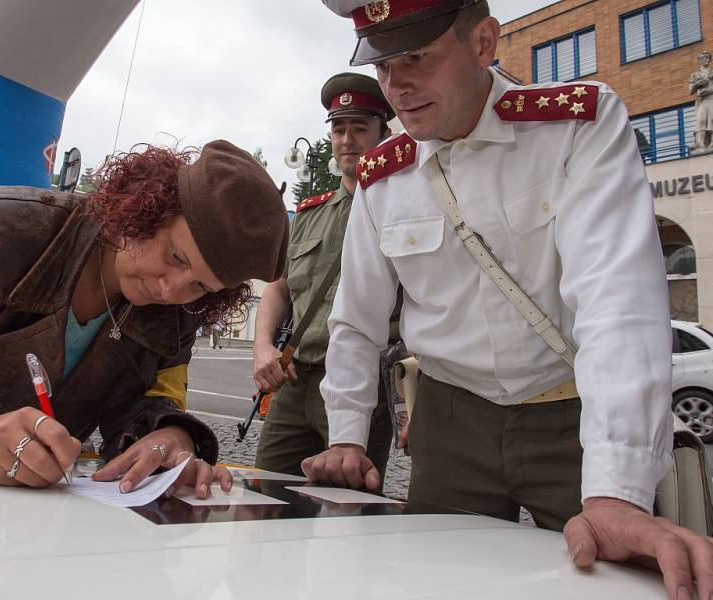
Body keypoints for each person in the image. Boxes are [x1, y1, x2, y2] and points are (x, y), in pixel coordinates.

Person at [305, 1, 713, 597]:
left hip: (571, 417)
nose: (397, 85)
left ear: (484, 42)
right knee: (435, 584)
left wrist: (615, 492)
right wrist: (344, 435)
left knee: (604, 582)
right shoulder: (381, 178)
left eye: (417, 56)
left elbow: (617, 304)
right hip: (450, 423)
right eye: (384, 64)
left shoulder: (577, 126)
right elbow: (356, 320)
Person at [0, 140, 289, 501]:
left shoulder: (180, 313)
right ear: (149, 206)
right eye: (176, 257)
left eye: (200, 286)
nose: (172, 291)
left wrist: (172, 437)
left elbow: (144, 402)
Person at [252, 72, 397, 480]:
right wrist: (263, 347)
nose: (347, 140)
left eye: (359, 128)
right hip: (296, 380)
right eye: (339, 129)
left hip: (366, 384)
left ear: (383, 134)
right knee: (265, 494)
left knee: (347, 504)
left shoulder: (402, 209)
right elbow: (278, 289)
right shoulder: (309, 214)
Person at [689, 50, 713, 152]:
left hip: (711, 98)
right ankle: (700, 144)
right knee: (701, 120)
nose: (705, 60)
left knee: (712, 119)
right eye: (703, 58)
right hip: (701, 101)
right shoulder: (695, 74)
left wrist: (708, 90)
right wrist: (697, 84)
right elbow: (691, 90)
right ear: (699, 61)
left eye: (707, 57)